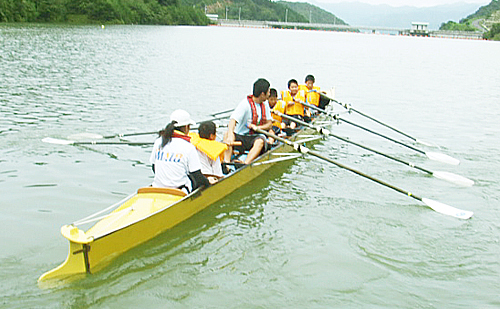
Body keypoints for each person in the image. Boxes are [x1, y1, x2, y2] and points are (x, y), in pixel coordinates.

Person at [150, 109, 209, 193]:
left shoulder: (159, 141)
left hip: (158, 187)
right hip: (180, 190)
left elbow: (154, 167)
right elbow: (197, 177)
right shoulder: (188, 147)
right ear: (186, 127)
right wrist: (208, 183)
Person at [224, 78, 273, 164]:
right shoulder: (245, 104)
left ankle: (245, 163)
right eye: (268, 92)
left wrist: (257, 127)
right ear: (262, 94)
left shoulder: (265, 104)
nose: (269, 94)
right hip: (240, 137)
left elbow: (269, 124)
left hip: (253, 138)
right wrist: (231, 134)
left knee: (261, 141)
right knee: (227, 134)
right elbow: (233, 120)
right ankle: (226, 163)